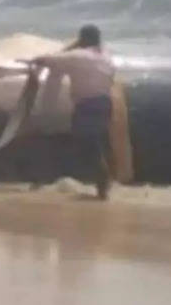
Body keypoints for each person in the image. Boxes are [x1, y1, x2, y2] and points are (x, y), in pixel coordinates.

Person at [32, 24, 116, 200]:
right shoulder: (106, 56)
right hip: (105, 103)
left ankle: (103, 182)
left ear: (81, 40)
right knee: (96, 141)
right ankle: (104, 183)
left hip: (87, 105)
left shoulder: (78, 56)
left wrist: (33, 61)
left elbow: (50, 60)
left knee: (87, 143)